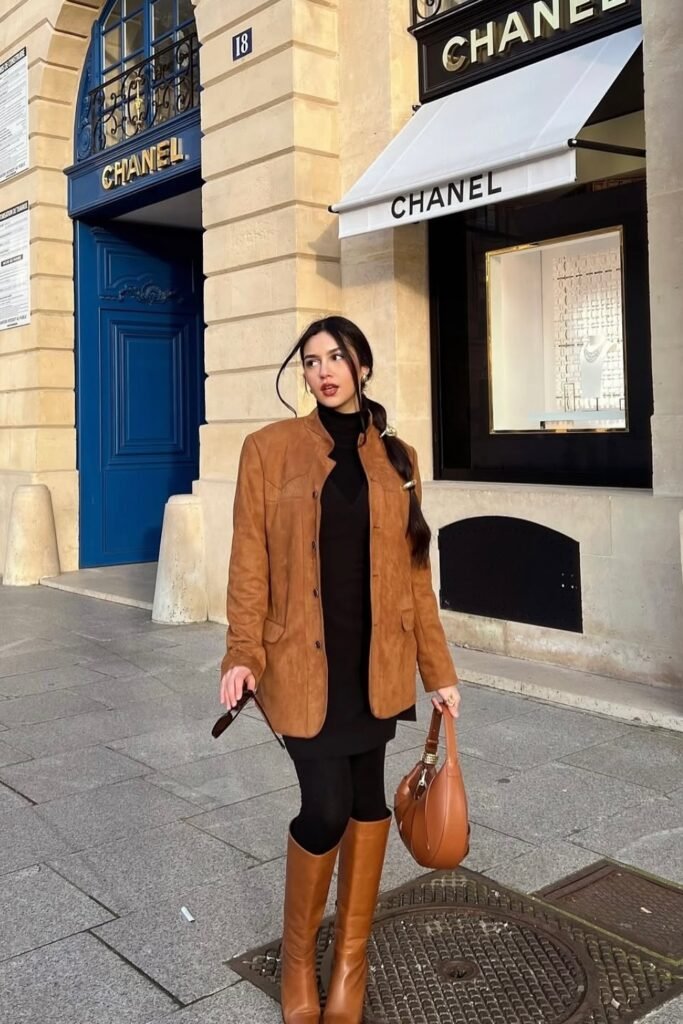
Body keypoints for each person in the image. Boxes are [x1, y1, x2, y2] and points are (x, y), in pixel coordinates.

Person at [219, 316, 460, 1024]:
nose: (322, 370)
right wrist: (242, 653)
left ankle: (350, 961)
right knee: (324, 809)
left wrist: (438, 670)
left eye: (336, 357)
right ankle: (300, 961)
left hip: (374, 665)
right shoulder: (268, 450)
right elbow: (249, 560)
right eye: (310, 360)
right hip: (301, 663)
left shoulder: (399, 458)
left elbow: (415, 577)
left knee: (368, 805)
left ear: (363, 367)